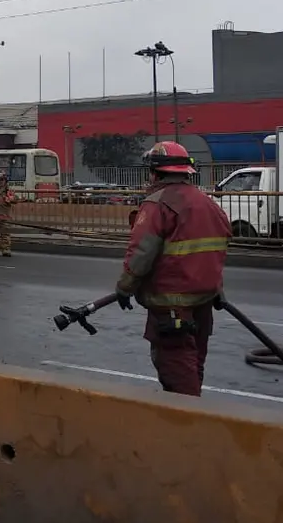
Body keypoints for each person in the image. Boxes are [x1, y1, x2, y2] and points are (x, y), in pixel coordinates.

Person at [115, 141, 232, 397]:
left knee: (177, 373)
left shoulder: (157, 204)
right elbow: (214, 251)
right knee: (193, 366)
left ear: (155, 173)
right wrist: (217, 290)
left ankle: (191, 429)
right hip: (203, 302)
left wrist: (124, 287)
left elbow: (141, 254)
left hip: (171, 307)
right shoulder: (208, 204)